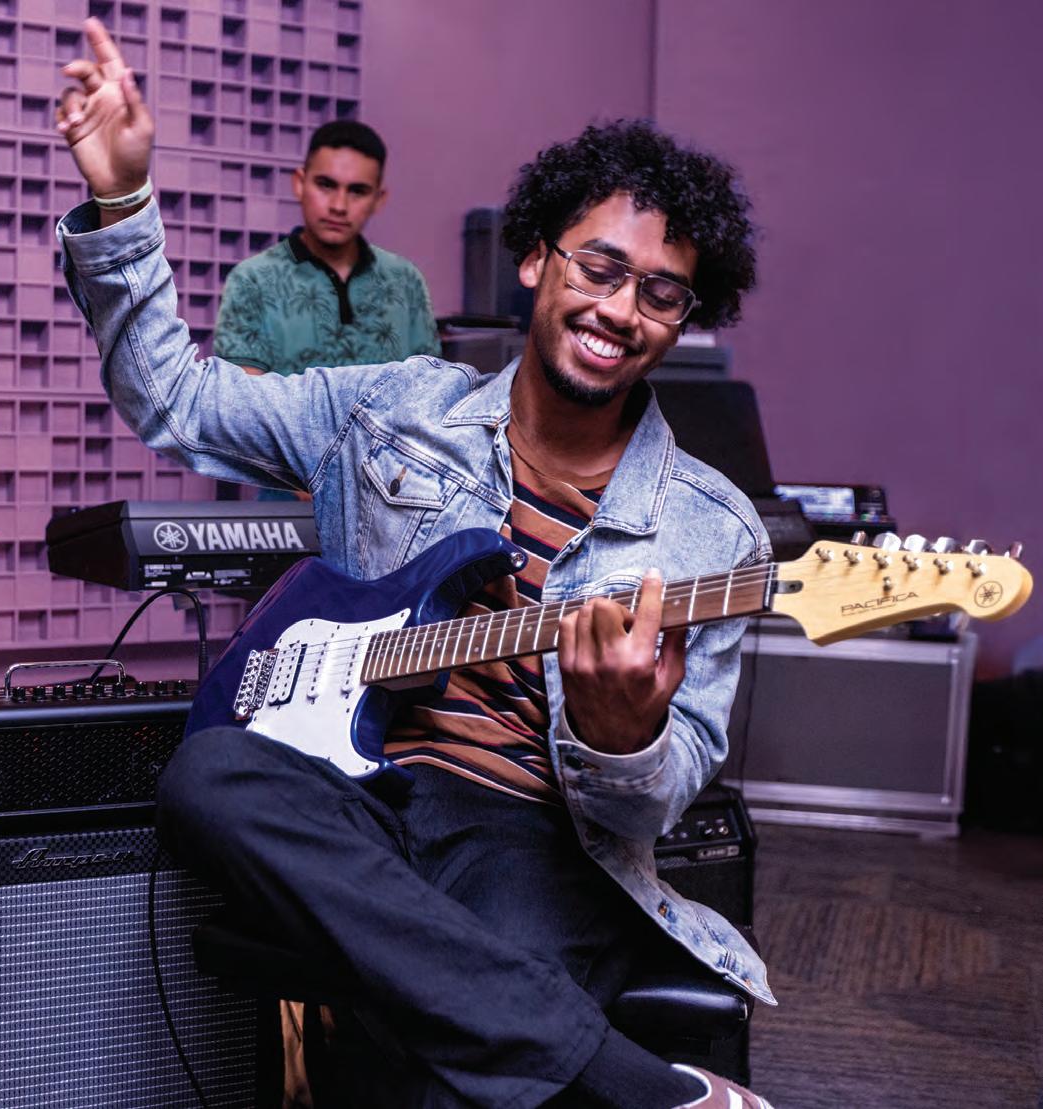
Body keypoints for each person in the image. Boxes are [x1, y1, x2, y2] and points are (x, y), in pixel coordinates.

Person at [55, 18, 774, 1109]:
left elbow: (658, 803)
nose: (621, 310)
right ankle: (640, 1087)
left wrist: (621, 733)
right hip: (359, 796)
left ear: (684, 318)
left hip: (527, 833)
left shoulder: (713, 536)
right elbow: (178, 400)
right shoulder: (393, 406)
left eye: (662, 292)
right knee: (209, 777)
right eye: (599, 267)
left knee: (446, 1081)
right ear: (535, 259)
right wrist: (120, 198)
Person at [212, 119, 441, 382]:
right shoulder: (251, 280)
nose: (339, 206)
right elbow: (244, 399)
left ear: (378, 199)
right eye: (326, 185)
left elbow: (430, 388)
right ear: (300, 184)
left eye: (357, 191)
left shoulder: (405, 280)